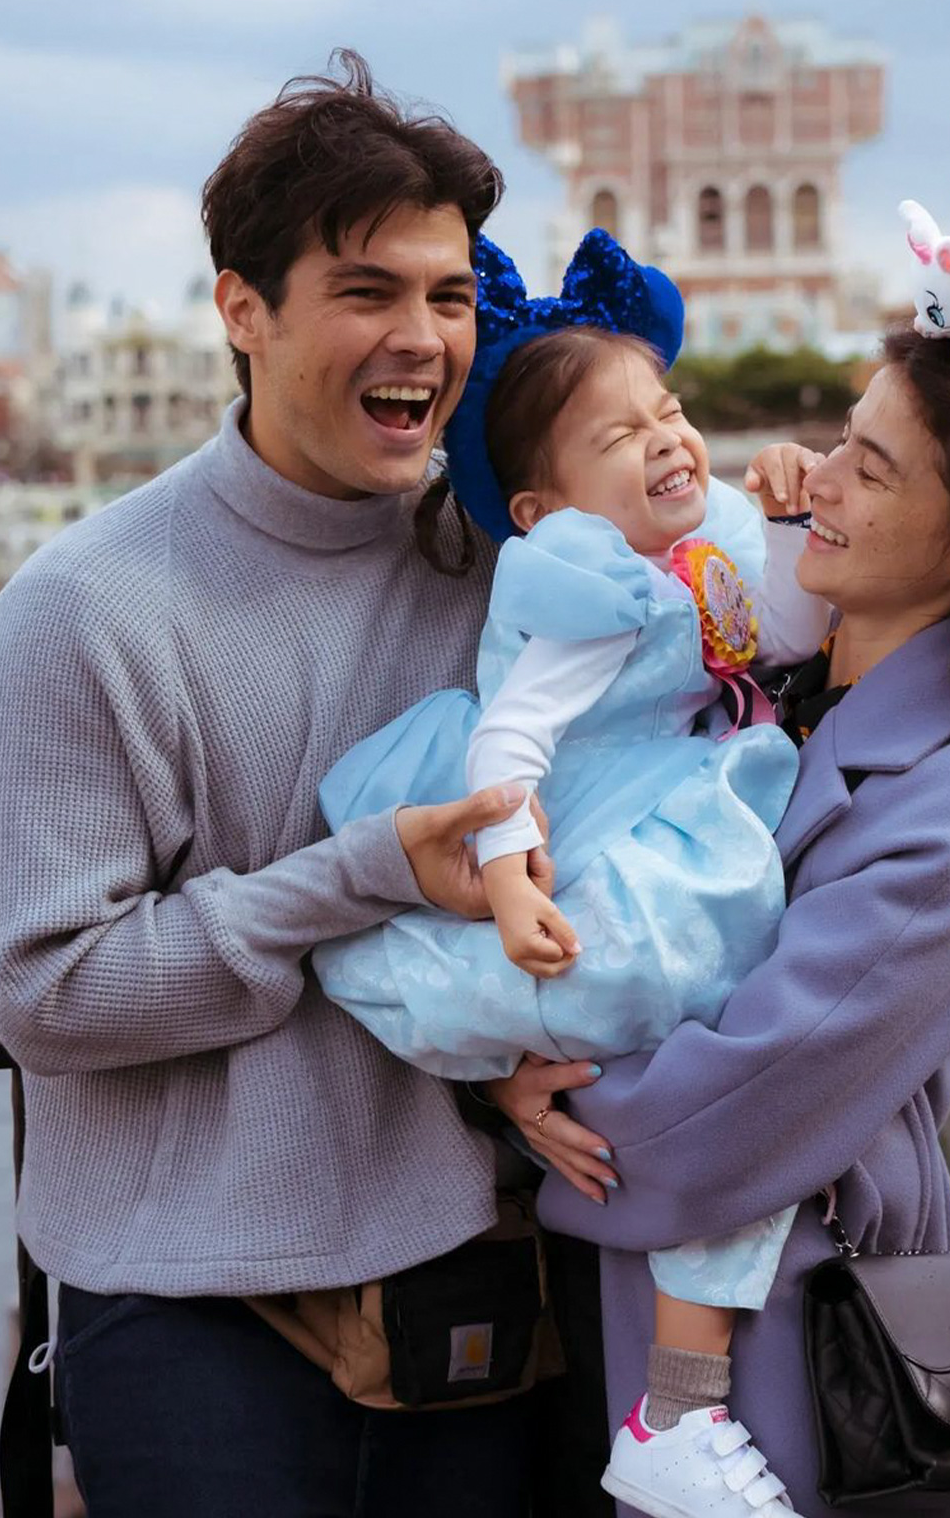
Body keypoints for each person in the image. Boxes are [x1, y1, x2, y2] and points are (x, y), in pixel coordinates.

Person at [0, 50, 587, 1518]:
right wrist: (366, 871)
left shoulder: (509, 573)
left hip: (481, 1281)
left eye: (449, 297)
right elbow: (50, 993)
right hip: (187, 1316)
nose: (423, 338)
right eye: (367, 291)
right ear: (242, 310)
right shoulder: (83, 608)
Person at [489, 247, 950, 1517]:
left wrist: (530, 1096)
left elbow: (741, 1096)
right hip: (702, 1294)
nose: (813, 479)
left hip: (800, 1333)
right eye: (841, 439)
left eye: (869, 470)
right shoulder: (793, 687)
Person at [311, 229, 832, 1516]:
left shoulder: (698, 538)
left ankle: (675, 1402)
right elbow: (510, 735)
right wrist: (503, 872)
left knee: (727, 1059)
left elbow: (794, 634)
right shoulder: (580, 578)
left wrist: (782, 512)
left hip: (683, 796)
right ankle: (676, 1406)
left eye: (667, 412)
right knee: (705, 1025)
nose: (665, 441)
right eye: (621, 437)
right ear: (542, 508)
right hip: (602, 821)